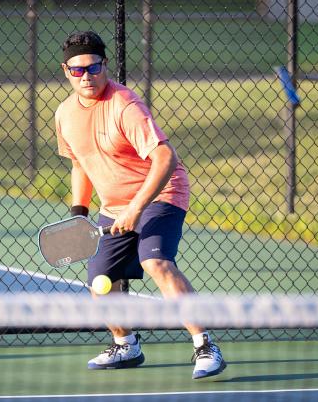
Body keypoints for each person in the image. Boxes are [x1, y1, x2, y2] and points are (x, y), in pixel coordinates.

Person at [54, 31, 226, 380]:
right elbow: (79, 165)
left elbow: (165, 158)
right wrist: (79, 214)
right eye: (77, 71)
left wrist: (135, 209)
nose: (86, 76)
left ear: (105, 65)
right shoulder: (65, 114)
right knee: (100, 282)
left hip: (162, 193)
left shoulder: (125, 105)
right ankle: (126, 344)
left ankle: (205, 345)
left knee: (156, 262)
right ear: (65, 71)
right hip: (115, 205)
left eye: (93, 67)